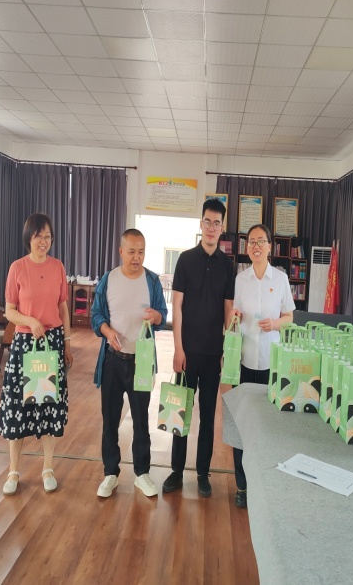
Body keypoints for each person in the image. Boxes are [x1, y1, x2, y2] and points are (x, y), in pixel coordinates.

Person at [162, 198, 235, 497]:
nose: (211, 227)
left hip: (213, 354)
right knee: (180, 411)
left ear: (222, 227)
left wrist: (228, 350)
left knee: (207, 417)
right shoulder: (185, 260)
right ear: (201, 223)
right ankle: (176, 471)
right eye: (208, 221)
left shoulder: (227, 266)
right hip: (188, 352)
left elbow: (228, 312)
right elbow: (176, 307)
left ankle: (203, 473)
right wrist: (178, 349)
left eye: (217, 223)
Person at [0, 213, 73, 496]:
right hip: (25, 344)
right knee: (19, 408)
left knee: (48, 406)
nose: (44, 241)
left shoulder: (58, 267)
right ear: (28, 237)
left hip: (51, 343)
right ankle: (13, 471)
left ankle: (48, 468)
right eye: (39, 236)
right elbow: (9, 310)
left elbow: (63, 308)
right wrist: (30, 321)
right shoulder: (17, 268)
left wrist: (67, 343)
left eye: (48, 236)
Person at [91, 229, 167, 498]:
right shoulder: (108, 279)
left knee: (141, 420)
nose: (137, 257)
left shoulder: (152, 281)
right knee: (110, 420)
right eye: (132, 251)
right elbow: (96, 314)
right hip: (113, 360)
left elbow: (163, 315)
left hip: (141, 361)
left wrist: (156, 316)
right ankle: (110, 473)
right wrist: (107, 331)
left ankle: (142, 473)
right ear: (121, 252)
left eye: (141, 251)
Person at [229, 224, 295, 508]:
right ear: (247, 248)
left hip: (270, 363)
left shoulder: (280, 279)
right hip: (244, 361)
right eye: (252, 242)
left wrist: (276, 323)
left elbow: (290, 317)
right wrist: (234, 315)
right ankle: (242, 486)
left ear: (270, 246)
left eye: (261, 241)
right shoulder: (240, 279)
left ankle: (265, 484)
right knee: (241, 424)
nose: (256, 246)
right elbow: (235, 316)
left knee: (267, 427)